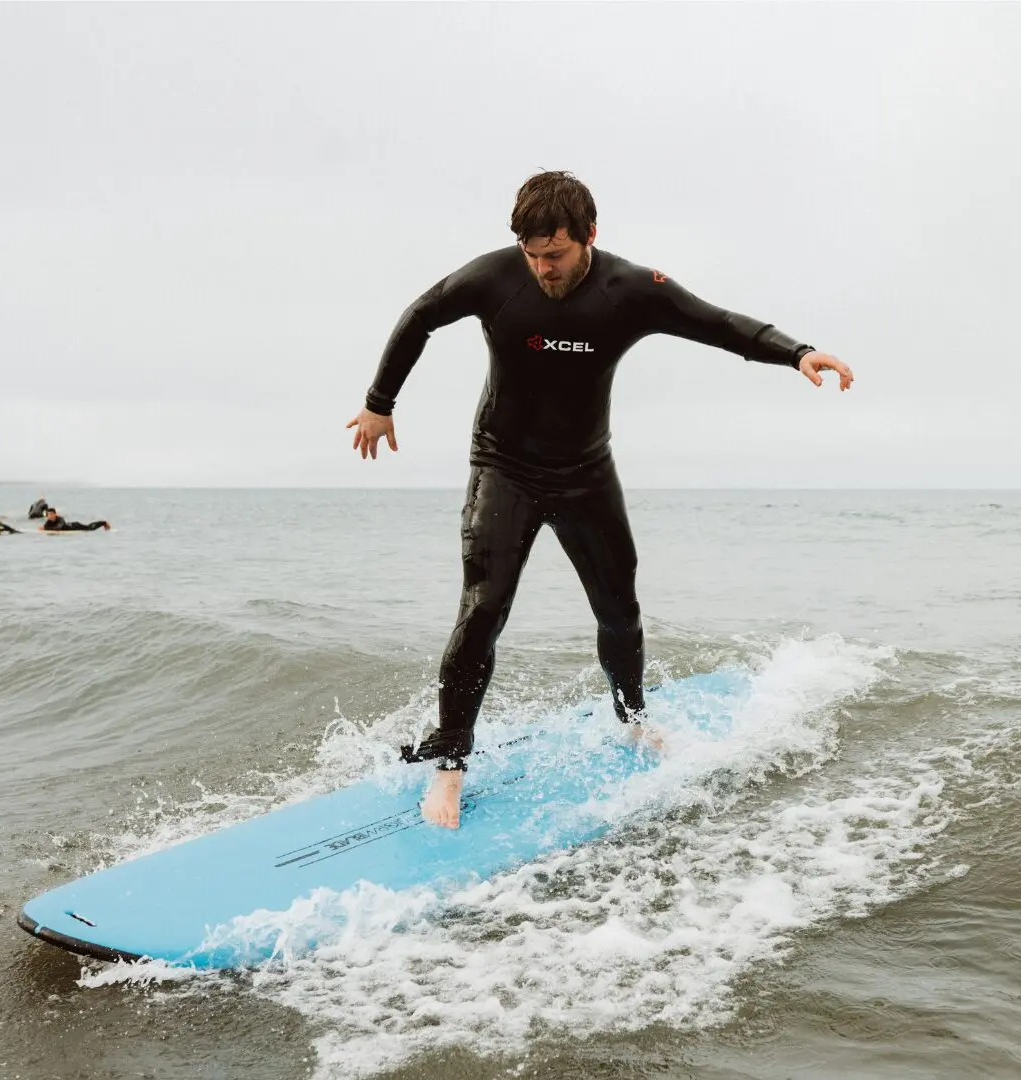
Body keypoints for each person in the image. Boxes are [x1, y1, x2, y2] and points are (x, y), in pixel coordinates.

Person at [346, 170, 855, 830]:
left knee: (619, 608)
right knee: (483, 607)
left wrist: (798, 353)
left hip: (586, 473)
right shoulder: (495, 279)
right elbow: (421, 315)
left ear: (589, 235)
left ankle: (633, 720)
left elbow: (717, 323)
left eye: (553, 255)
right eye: (531, 255)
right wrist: (378, 404)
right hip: (503, 468)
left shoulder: (630, 291)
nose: (542, 270)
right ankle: (449, 766)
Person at [39, 506, 111, 532]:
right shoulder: (48, 521)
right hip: (70, 526)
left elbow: (58, 528)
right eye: (48, 515)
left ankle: (104, 523)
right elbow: (46, 527)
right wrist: (44, 528)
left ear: (55, 514)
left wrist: (45, 529)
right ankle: (103, 523)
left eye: (51, 514)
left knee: (89, 528)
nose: (50, 516)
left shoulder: (60, 519)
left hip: (75, 526)